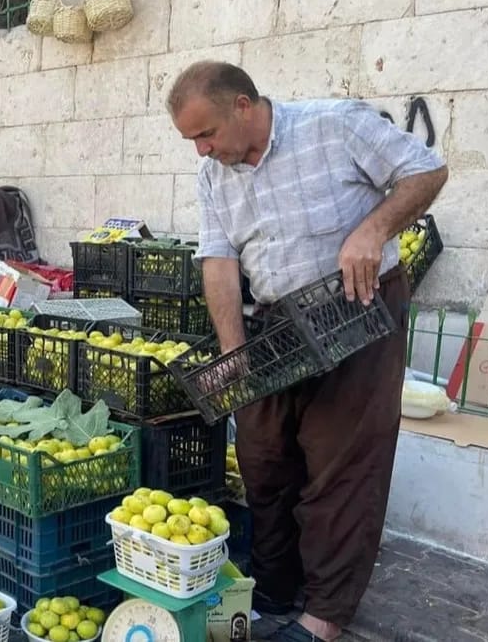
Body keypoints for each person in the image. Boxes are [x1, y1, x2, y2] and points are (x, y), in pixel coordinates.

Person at [165, 62, 448, 641]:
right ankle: (275, 589)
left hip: (358, 309)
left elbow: (427, 171)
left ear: (243, 105)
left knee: (342, 466)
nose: (201, 150)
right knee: (263, 457)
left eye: (206, 133)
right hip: (278, 322)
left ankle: (324, 615)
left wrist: (373, 230)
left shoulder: (335, 125)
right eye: (192, 140)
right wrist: (233, 353)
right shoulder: (214, 176)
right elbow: (218, 261)